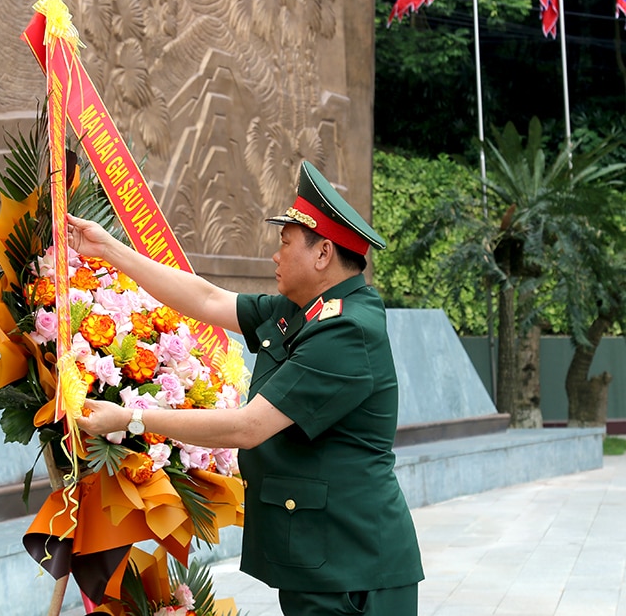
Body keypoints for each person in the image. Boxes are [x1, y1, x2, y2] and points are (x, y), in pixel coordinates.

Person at [69, 160, 424, 616]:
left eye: (285, 243)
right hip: (322, 557)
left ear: (323, 255)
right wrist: (111, 250)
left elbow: (248, 427)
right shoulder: (305, 311)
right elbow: (207, 299)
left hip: (352, 568)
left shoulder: (347, 330)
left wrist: (131, 418)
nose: (276, 256)